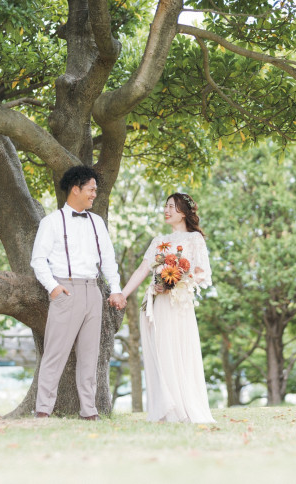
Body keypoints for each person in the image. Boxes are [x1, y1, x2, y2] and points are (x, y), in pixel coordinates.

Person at [30, 166, 126, 420]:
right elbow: (38, 260)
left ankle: (89, 411)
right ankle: (43, 410)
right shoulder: (50, 222)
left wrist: (115, 289)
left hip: (93, 292)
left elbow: (108, 260)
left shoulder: (97, 222)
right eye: (91, 189)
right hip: (66, 291)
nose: (95, 194)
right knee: (54, 354)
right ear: (76, 189)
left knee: (89, 356)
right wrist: (53, 288)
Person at [122, 193, 215, 423]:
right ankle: (166, 409)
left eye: (171, 207)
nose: (166, 210)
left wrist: (178, 280)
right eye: (165, 206)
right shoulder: (158, 241)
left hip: (181, 305)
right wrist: (122, 295)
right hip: (160, 304)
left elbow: (203, 274)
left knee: (181, 351)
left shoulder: (195, 240)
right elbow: (143, 270)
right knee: (161, 352)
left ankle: (184, 407)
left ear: (183, 212)